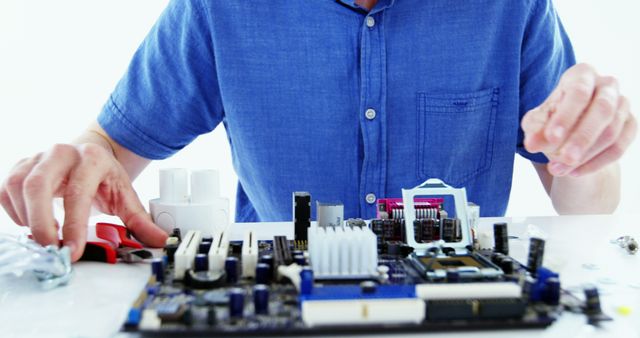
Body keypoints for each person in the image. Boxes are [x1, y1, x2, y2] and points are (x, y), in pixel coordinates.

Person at [0, 0, 636, 262]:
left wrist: (587, 154)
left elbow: (584, 199)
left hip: (459, 304)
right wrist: (87, 155)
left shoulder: (511, 6)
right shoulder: (218, 8)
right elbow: (108, 150)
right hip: (278, 302)